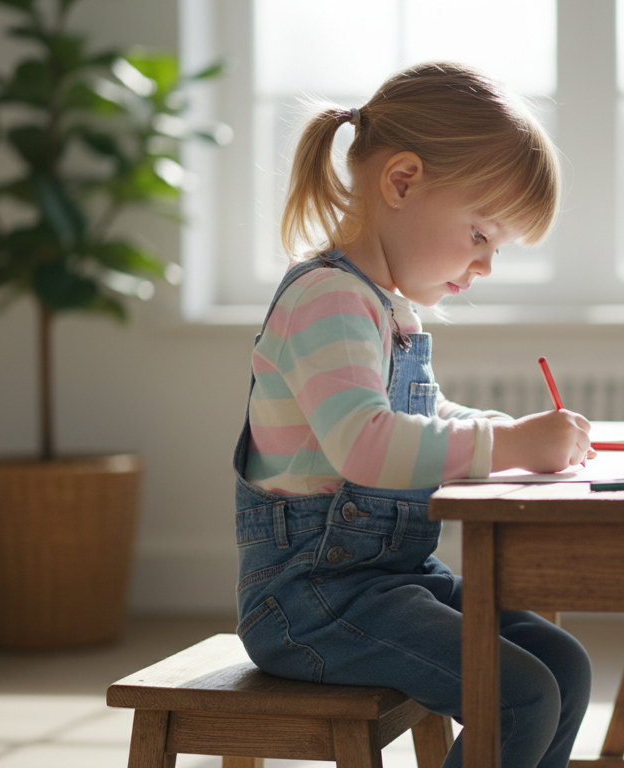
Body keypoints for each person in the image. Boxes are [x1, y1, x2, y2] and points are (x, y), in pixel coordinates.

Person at [231, 61, 594, 768]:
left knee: (564, 666)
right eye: (481, 234)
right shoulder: (327, 299)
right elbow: (365, 444)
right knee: (520, 696)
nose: (486, 266)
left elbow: (422, 415)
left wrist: (512, 431)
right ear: (400, 182)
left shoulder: (384, 308)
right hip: (311, 602)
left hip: (389, 582)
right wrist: (511, 443)